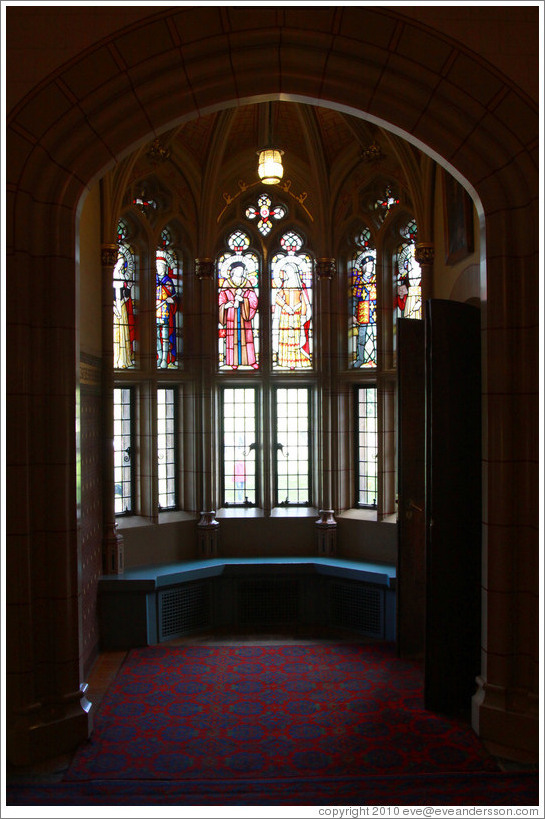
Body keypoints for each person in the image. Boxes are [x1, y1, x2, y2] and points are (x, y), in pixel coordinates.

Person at [218, 261, 258, 369]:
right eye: (238, 269)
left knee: (248, 339)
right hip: (232, 315)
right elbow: (221, 299)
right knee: (232, 338)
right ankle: (233, 361)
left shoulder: (247, 283)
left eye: (242, 270)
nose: (241, 272)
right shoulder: (227, 283)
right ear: (233, 271)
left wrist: (243, 300)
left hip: (244, 316)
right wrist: (225, 306)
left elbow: (254, 299)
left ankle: (250, 361)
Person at [273, 260, 311, 369]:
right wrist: (285, 306)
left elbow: (305, 302)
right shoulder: (284, 285)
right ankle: (286, 361)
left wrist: (303, 315)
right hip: (286, 314)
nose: (285, 274)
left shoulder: (301, 285)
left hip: (297, 314)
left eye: (287, 272)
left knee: (297, 338)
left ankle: (296, 361)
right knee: (285, 338)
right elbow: (277, 297)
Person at [351, 254, 376, 367]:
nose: (371, 267)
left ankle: (374, 359)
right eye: (369, 265)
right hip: (362, 312)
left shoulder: (376, 280)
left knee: (374, 336)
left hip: (375, 313)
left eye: (372, 265)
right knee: (362, 337)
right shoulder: (359, 281)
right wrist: (353, 314)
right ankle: (360, 359)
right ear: (364, 267)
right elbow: (355, 298)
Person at [113, 255, 135, 369]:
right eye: (120, 264)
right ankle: (117, 359)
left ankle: (124, 359)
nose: (121, 267)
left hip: (121, 306)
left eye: (122, 265)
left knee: (124, 333)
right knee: (117, 334)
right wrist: (115, 308)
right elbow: (114, 295)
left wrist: (129, 288)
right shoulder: (114, 275)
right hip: (116, 308)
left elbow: (123, 297)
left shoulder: (120, 275)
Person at [156, 252, 177, 368]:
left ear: (165, 268)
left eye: (161, 266)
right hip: (155, 314)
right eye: (157, 266)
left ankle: (165, 359)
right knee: (157, 338)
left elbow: (174, 298)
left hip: (165, 314)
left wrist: (171, 301)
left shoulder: (168, 281)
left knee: (165, 337)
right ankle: (159, 357)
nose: (159, 268)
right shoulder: (152, 281)